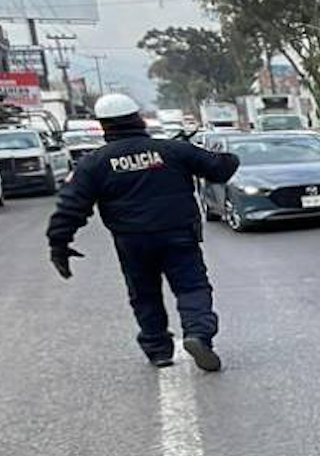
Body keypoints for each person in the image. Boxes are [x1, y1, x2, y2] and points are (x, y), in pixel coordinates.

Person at [45, 93, 241, 370]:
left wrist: (59, 245)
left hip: (131, 241)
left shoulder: (94, 163)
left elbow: (70, 206)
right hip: (178, 234)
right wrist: (217, 151)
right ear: (138, 119)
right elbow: (222, 168)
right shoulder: (172, 150)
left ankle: (158, 349)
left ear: (104, 125)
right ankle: (198, 335)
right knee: (192, 287)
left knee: (144, 293)